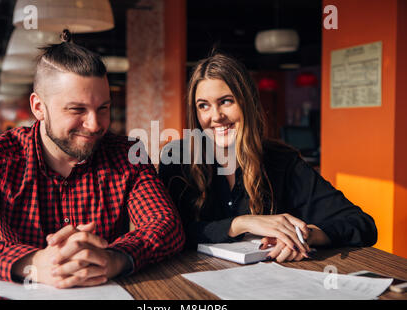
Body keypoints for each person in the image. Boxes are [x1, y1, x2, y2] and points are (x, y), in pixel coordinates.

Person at [0, 30, 185, 289]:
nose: (95, 124)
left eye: (103, 108)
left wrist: (115, 258)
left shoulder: (127, 154)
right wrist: (32, 262)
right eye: (77, 109)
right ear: (38, 107)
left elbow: (166, 226)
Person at [158, 53, 377, 263]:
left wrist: (305, 235)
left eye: (226, 101)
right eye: (203, 105)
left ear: (247, 102)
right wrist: (242, 223)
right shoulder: (177, 158)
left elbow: (361, 224)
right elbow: (168, 231)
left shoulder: (281, 160)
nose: (215, 116)